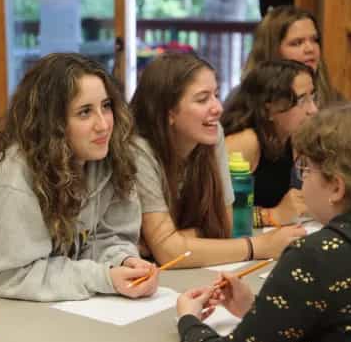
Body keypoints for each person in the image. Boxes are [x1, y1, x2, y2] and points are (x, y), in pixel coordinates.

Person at [0, 53, 158, 301]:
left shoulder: (108, 160)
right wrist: (103, 277)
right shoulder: (14, 177)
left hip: (50, 302)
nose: (103, 125)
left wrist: (124, 261)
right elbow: (8, 276)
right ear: (53, 123)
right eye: (84, 112)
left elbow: (108, 237)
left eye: (106, 106)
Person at [177, 102, 351, 342]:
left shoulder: (316, 256)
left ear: (336, 187)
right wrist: (261, 310)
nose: (302, 179)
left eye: (306, 169)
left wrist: (189, 319)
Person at [130, 52, 305, 268]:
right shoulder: (139, 149)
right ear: (169, 112)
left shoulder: (212, 135)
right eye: (203, 99)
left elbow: (225, 225)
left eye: (216, 95)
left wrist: (176, 239)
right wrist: (258, 247)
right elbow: (168, 252)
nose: (218, 108)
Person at [221, 60, 317, 226]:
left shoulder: (291, 137)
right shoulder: (244, 142)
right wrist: (273, 215)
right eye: (301, 100)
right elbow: (216, 218)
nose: (313, 110)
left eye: (313, 97)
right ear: (268, 108)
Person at [226, 5, 340, 109]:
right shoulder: (242, 100)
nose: (310, 49)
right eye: (297, 43)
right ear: (272, 50)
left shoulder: (334, 99)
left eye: (314, 40)